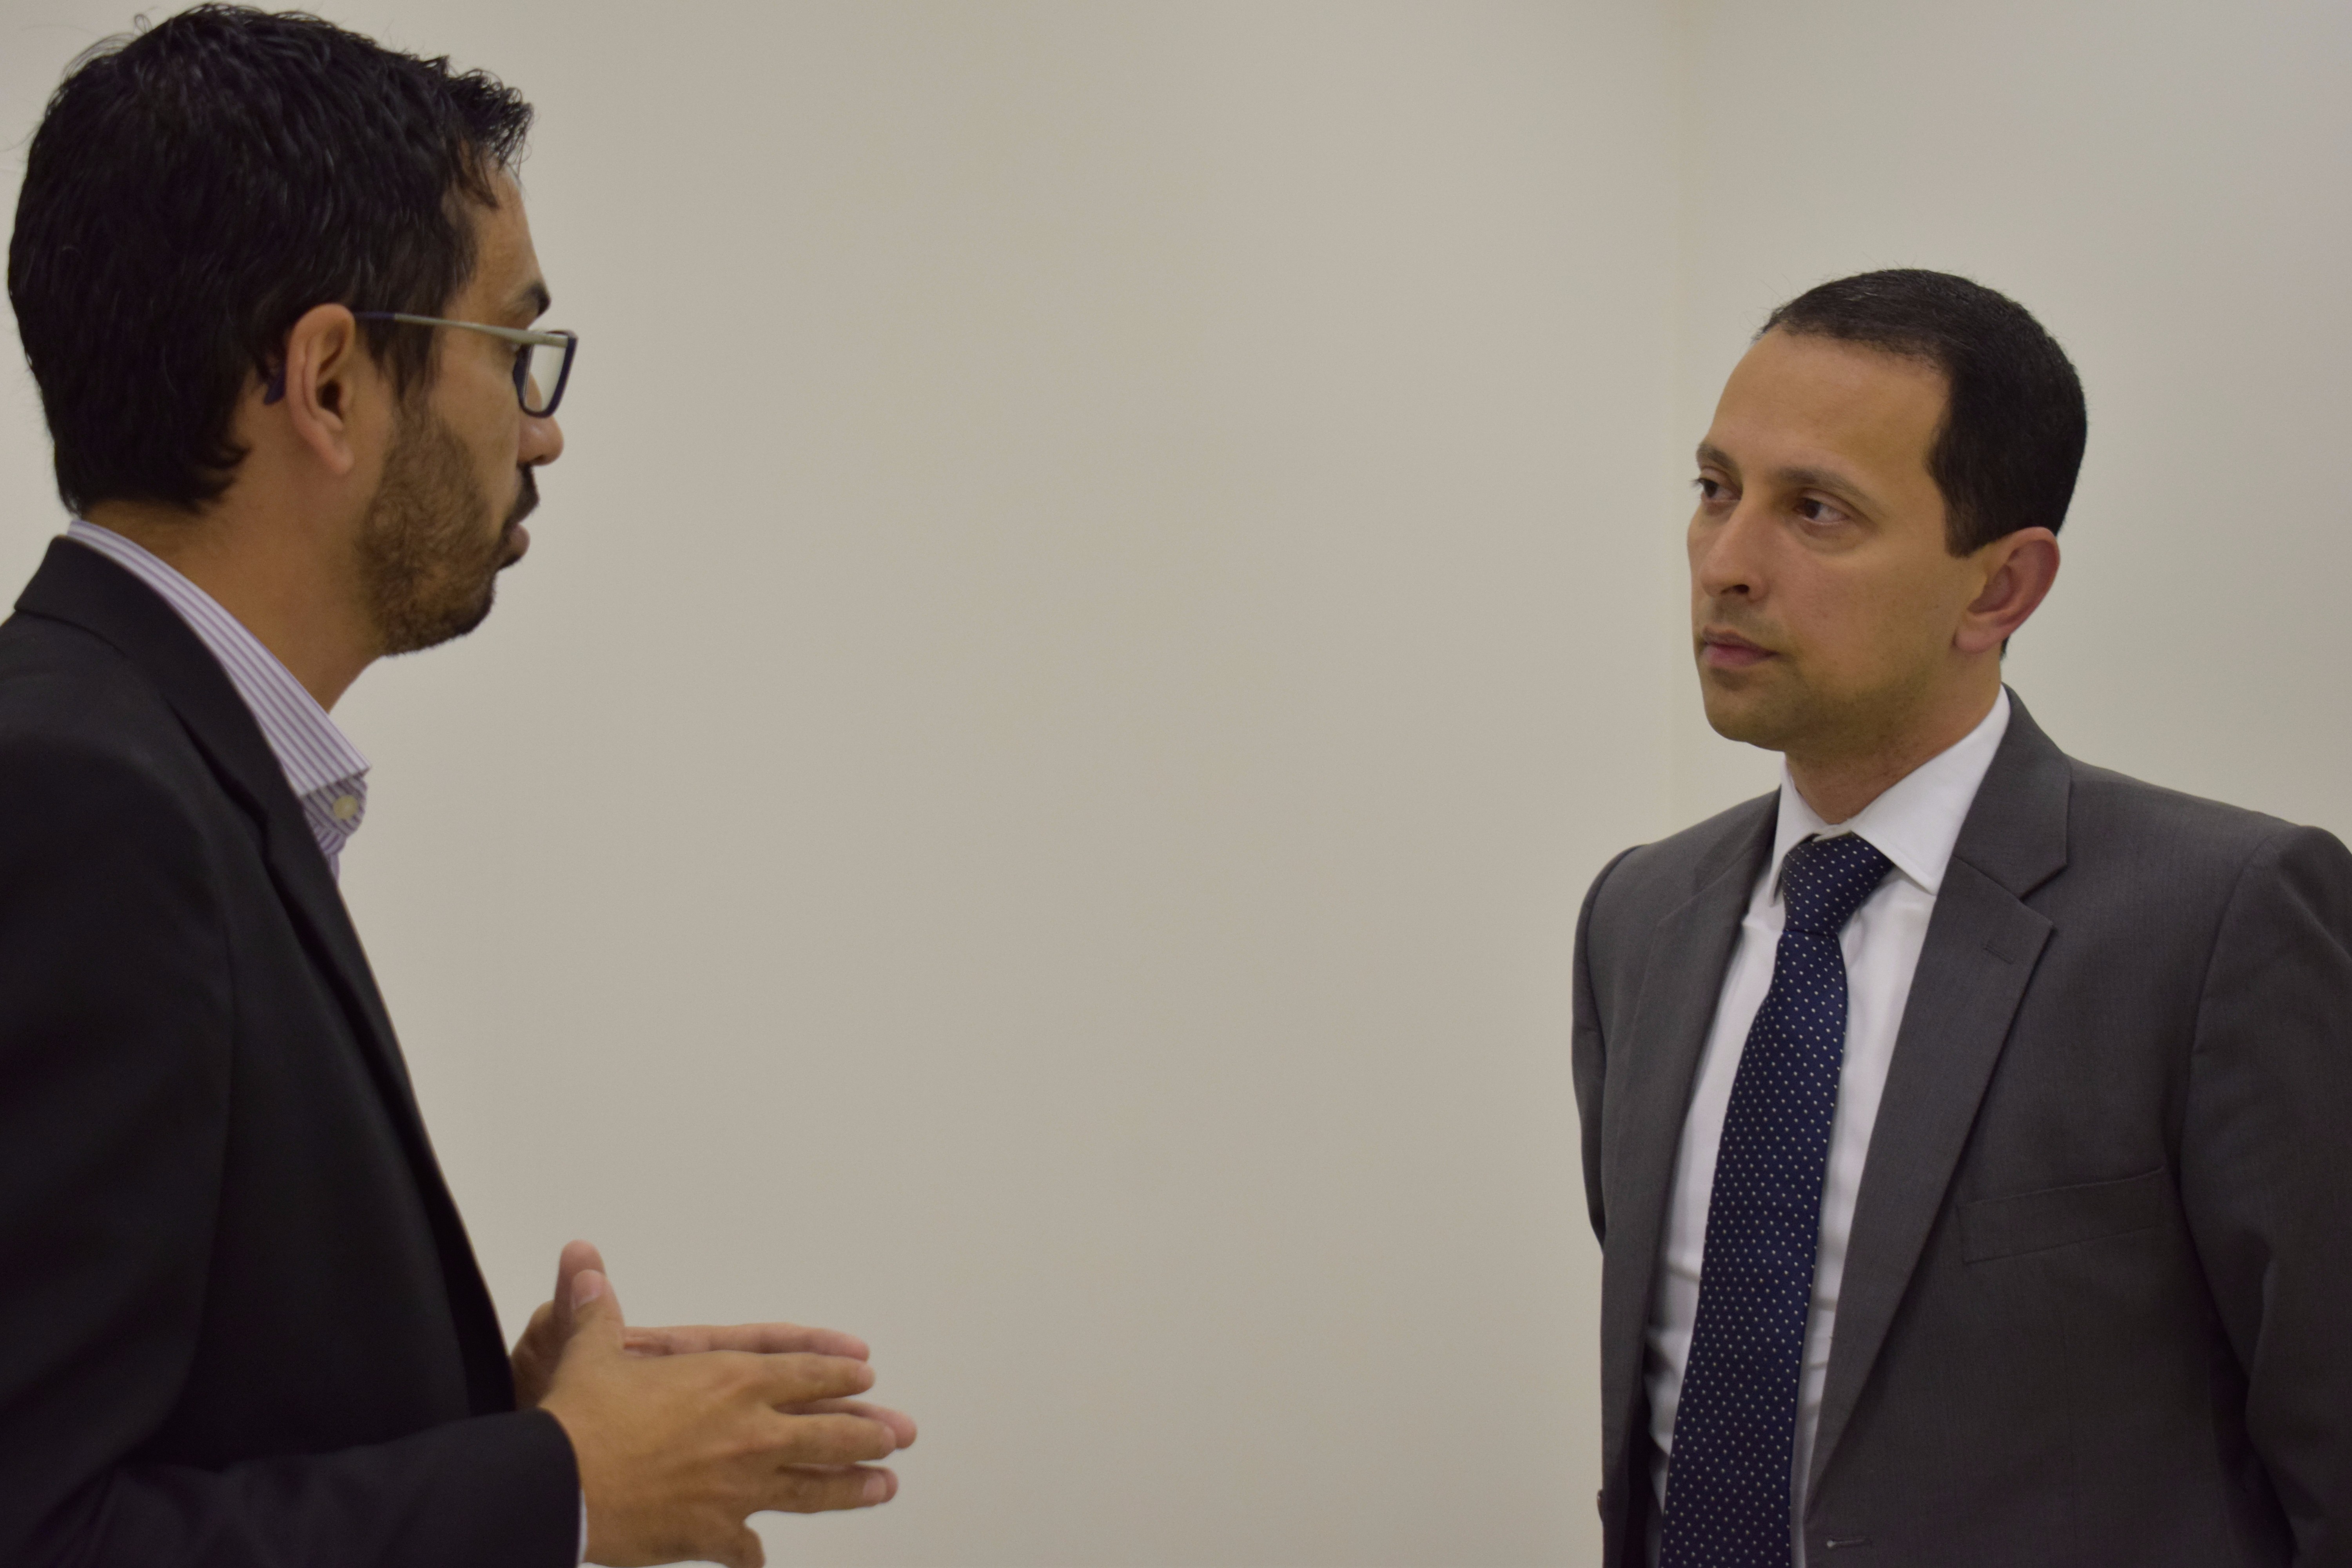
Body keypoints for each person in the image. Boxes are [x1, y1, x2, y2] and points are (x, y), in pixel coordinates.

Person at [0, 8, 913, 1566]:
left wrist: (476, 1421)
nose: (543, 427)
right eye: (512, 349)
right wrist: (559, 1488)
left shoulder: (147, 760)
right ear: (328, 382)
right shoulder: (85, 799)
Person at [1573, 268, 2352, 1567]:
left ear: (2000, 589)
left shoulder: (2222, 921)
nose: (1728, 563)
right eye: (1715, 489)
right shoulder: (1639, 917)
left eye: (1815, 511)